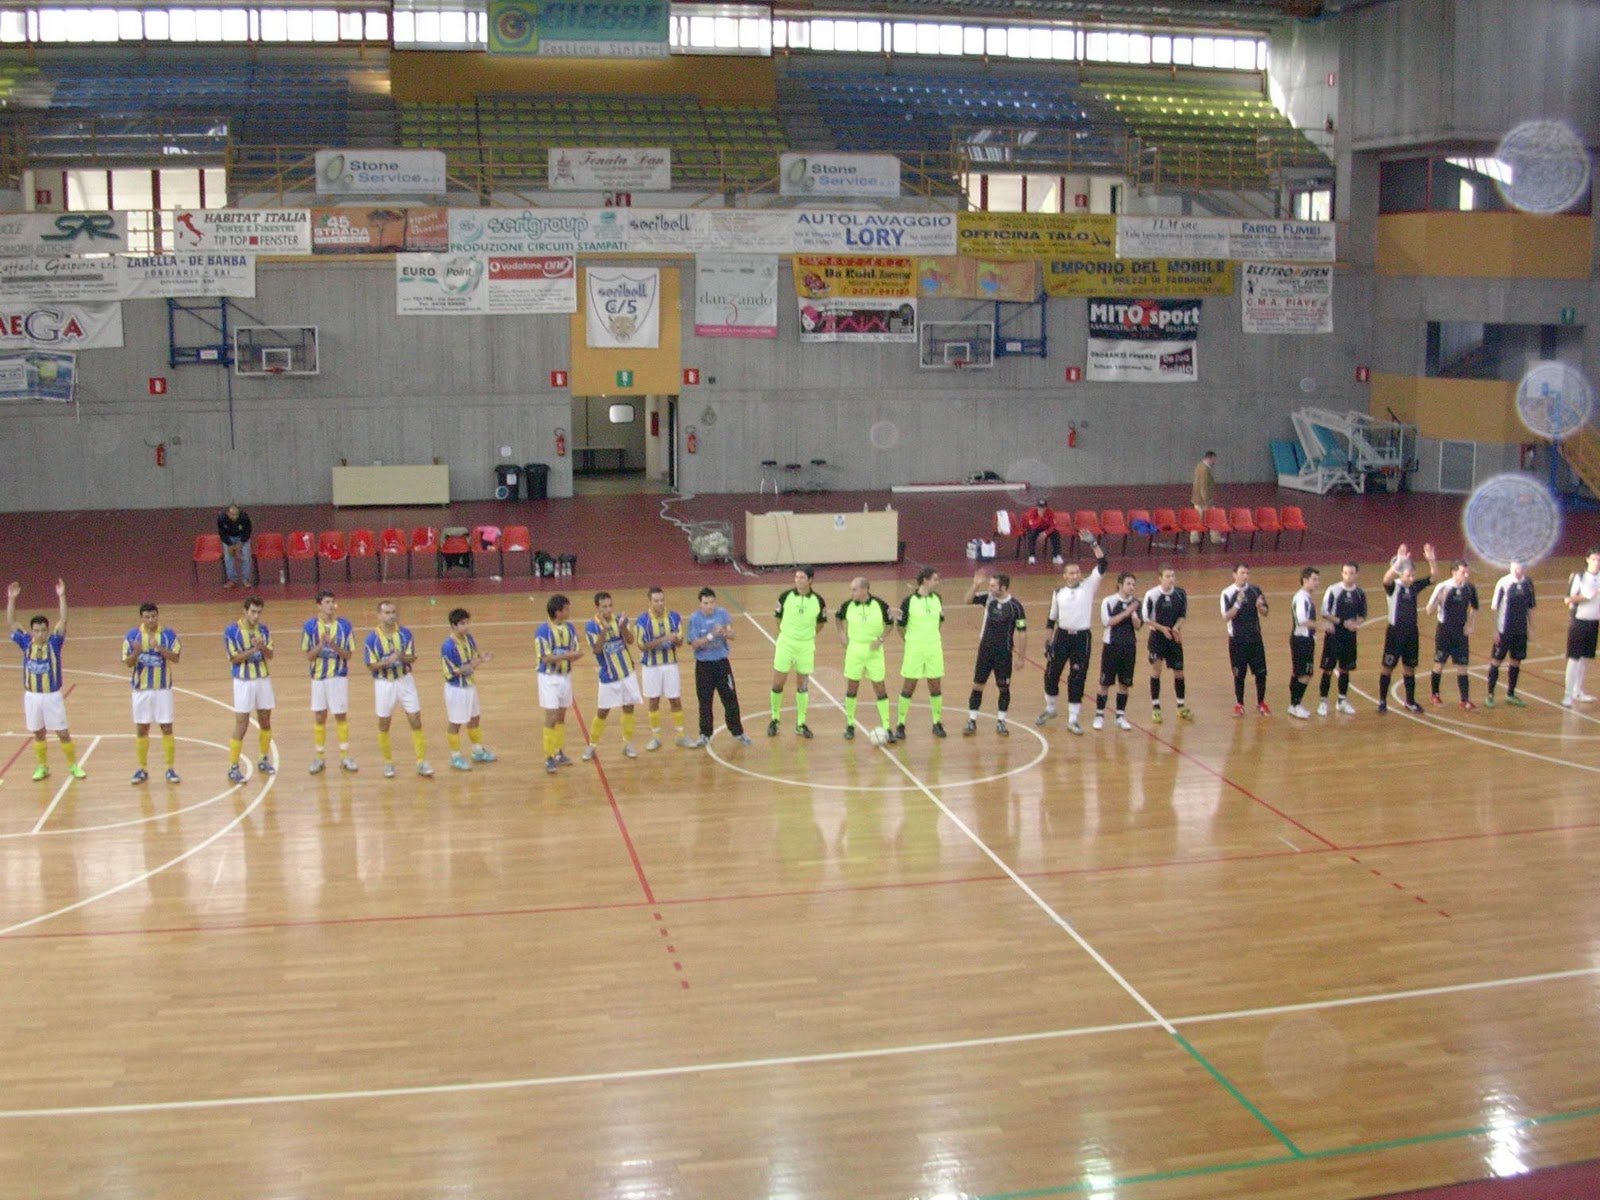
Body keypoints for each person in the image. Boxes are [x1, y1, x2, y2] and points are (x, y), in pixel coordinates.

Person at [7, 579, 85, 782]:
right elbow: (12, 622)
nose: (40, 633)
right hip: (32, 696)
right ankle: (42, 767)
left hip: (52, 695)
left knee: (62, 732)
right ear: (32, 631)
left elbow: (64, 620)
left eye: (43, 630)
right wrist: (11, 599)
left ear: (47, 631)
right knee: (38, 733)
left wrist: (61, 596)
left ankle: (73, 765)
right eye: (37, 630)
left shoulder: (55, 643)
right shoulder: (25, 642)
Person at [1036, 538, 1109, 734]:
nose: (1075, 575)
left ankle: (1073, 719)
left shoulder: (1089, 586)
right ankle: (1050, 709)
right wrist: (1047, 641)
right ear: (1065, 575)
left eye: (1077, 571)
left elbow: (1103, 564)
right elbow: (1051, 619)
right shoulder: (1058, 592)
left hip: (1081, 638)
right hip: (1061, 637)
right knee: (1051, 673)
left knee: (1077, 678)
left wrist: (1093, 543)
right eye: (1071, 572)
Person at [364, 599, 432, 778]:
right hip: (384, 684)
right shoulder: (372, 639)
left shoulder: (405, 634)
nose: (391, 616)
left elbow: (412, 658)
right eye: (387, 613)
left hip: (405, 681)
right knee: (384, 724)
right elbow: (371, 665)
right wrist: (386, 662)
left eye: (393, 612)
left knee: (415, 719)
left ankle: (421, 762)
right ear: (379, 615)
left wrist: (400, 656)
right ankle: (387, 763)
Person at [962, 568, 1027, 736]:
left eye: (993, 586)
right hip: (986, 649)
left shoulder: (1016, 607)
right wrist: (975, 585)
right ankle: (972, 719)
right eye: (989, 585)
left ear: (1003, 588)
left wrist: (1021, 657)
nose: (990, 588)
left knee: (1003, 687)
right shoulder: (988, 598)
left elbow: (1022, 632)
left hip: (1004, 652)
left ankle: (1001, 721)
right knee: (978, 685)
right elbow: (967, 600)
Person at [122, 601, 181, 784]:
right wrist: (137, 652)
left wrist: (159, 648)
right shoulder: (132, 636)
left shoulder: (168, 634)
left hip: (163, 689)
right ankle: (142, 769)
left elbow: (176, 657)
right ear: (142, 618)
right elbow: (128, 663)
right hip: (141, 691)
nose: (151, 620)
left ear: (158, 616)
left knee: (166, 728)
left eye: (153, 616)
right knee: (142, 729)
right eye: (147, 617)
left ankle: (170, 769)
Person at [302, 589, 357, 775]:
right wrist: (321, 645)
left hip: (338, 678)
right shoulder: (309, 627)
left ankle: (344, 756)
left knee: (340, 716)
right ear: (319, 605)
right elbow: (309, 656)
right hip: (318, 679)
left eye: (332, 602)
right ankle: (319, 757)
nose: (331, 605)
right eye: (327, 602)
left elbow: (349, 655)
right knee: (319, 717)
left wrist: (333, 645)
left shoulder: (345, 626)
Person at [687, 587, 750, 748]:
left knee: (730, 698)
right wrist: (710, 636)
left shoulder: (722, 614)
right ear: (700, 604)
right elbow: (695, 643)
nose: (709, 606)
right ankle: (705, 734)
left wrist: (724, 633)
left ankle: (738, 731)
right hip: (704, 666)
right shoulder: (695, 619)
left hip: (722, 664)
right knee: (705, 701)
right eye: (706, 603)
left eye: (712, 602)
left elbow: (733, 635)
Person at [1376, 543, 1436, 714]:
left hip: (1411, 632)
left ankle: (1410, 701)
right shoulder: (1393, 587)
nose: (1412, 579)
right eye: (1409, 575)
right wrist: (1399, 562)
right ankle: (1382, 700)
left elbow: (1433, 577)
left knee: (1410, 667)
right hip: (1395, 633)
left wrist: (1432, 561)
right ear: (1401, 573)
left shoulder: (1414, 587)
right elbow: (1386, 579)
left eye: (1413, 575)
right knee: (1388, 666)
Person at [769, 567, 828, 739]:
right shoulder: (785, 596)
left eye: (802, 577)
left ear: (810, 580)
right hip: (786, 643)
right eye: (796, 577)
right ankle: (775, 719)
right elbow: (777, 618)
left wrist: (806, 636)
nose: (798, 580)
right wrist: (788, 634)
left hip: (806, 646)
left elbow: (821, 623)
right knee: (778, 682)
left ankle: (800, 723)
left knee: (802, 685)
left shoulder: (819, 601)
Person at [583, 591, 642, 760]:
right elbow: (596, 649)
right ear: (597, 608)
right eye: (604, 607)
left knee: (628, 707)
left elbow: (630, 641)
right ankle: (592, 745)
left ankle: (627, 743)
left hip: (627, 672)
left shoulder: (620, 620)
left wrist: (623, 628)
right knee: (603, 711)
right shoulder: (591, 626)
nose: (608, 609)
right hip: (608, 675)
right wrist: (604, 631)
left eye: (610, 606)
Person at [223, 594, 275, 783]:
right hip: (243, 682)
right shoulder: (232, 631)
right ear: (245, 611)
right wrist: (254, 650)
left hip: (262, 679)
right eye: (253, 612)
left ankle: (263, 759)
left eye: (259, 613)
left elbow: (270, 655)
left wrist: (262, 648)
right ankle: (233, 767)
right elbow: (234, 658)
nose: (256, 616)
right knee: (242, 724)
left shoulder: (264, 630)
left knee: (265, 720)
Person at [837, 576, 895, 741]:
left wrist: (881, 639)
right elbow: (838, 619)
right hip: (854, 650)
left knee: (880, 688)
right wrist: (842, 634)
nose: (852, 592)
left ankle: (886, 727)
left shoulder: (881, 605)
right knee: (852, 687)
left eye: (854, 589)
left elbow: (890, 624)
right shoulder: (847, 605)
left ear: (865, 590)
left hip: (874, 653)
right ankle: (849, 725)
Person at [636, 587, 693, 750]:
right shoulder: (642, 621)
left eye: (662, 600)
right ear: (650, 602)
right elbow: (642, 646)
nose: (660, 603)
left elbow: (680, 643)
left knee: (675, 699)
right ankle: (656, 737)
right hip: (651, 667)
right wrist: (664, 638)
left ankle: (681, 736)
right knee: (653, 700)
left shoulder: (674, 617)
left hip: (670, 665)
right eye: (656, 601)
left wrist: (675, 640)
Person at [440, 607, 496, 770]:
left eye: (467, 623)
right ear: (454, 626)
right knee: (456, 722)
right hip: (456, 689)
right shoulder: (448, 646)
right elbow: (456, 671)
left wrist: (481, 659)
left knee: (474, 719)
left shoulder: (469, 639)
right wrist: (477, 662)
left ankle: (477, 751)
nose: (466, 626)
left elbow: (473, 660)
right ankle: (455, 756)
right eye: (462, 624)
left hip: (470, 685)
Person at [895, 567, 947, 740]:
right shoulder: (908, 601)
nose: (937, 582)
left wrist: (932, 637)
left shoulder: (938, 599)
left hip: (934, 648)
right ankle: (901, 724)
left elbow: (939, 622)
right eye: (935, 579)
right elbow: (900, 627)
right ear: (925, 580)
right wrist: (911, 641)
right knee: (909, 685)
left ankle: (937, 722)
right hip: (915, 648)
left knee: (935, 685)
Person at [535, 594, 585, 773]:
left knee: (562, 716)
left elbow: (578, 651)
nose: (569, 611)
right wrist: (567, 655)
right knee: (551, 716)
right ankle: (548, 756)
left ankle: (558, 751)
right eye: (566, 608)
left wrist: (571, 655)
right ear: (558, 612)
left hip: (565, 676)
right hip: (549, 679)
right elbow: (546, 658)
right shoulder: (543, 631)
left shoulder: (570, 628)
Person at [1426, 559, 1479, 710]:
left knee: (1463, 666)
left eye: (1467, 572)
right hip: (1444, 631)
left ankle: (1465, 700)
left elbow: (1475, 608)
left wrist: (1471, 625)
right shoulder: (1443, 587)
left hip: (1461, 632)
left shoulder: (1469, 588)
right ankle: (1435, 694)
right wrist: (1438, 600)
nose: (1467, 575)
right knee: (1439, 664)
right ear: (1454, 572)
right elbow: (1429, 611)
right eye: (1463, 572)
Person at [1092, 571, 1142, 731]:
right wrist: (1127, 612)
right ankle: (1099, 715)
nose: (1131, 587)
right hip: (1112, 646)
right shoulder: (1109, 601)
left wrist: (1134, 616)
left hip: (1129, 646)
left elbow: (1139, 626)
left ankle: (1120, 716)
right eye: (1128, 584)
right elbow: (1107, 622)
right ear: (1120, 584)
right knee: (1105, 682)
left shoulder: (1136, 603)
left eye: (1133, 584)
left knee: (1125, 683)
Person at [1317, 561, 1367, 716]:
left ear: (1356, 574)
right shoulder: (1333, 590)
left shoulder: (1360, 593)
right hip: (1333, 636)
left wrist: (1355, 624)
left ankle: (1342, 700)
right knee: (1328, 669)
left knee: (1345, 669)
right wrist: (1342, 623)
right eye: (1345, 573)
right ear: (1342, 573)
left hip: (1350, 637)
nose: (1348, 576)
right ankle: (1323, 702)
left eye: (1351, 573)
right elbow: (1324, 612)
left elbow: (1362, 614)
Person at [1142, 565, 1191, 723]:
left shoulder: (1180, 593)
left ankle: (1181, 706)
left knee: (1179, 671)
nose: (1171, 579)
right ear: (1160, 578)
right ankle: (1156, 708)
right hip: (1157, 636)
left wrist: (1176, 628)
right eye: (1168, 576)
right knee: (1156, 670)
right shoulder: (1152, 595)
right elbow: (1146, 618)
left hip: (1173, 637)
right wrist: (1162, 629)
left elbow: (1182, 615)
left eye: (1173, 576)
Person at [1220, 563, 1270, 716]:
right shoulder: (1227, 593)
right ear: (1234, 574)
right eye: (1242, 573)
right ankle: (1239, 704)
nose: (1245, 576)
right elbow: (1226, 616)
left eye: (1247, 573)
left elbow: (1265, 612)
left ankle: (1261, 703)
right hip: (1237, 640)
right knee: (1239, 674)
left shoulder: (1255, 590)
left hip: (1255, 638)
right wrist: (1238, 603)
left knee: (1261, 673)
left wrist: (1260, 607)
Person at [1487, 561, 1535, 707]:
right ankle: (1490, 694)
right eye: (1515, 567)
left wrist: (1531, 627)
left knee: (1516, 661)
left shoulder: (1528, 583)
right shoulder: (1503, 583)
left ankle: (1511, 694)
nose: (1517, 570)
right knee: (1496, 661)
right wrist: (1495, 630)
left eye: (1520, 567)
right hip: (1504, 630)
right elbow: (1495, 608)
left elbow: (1530, 607)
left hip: (1520, 630)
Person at [1562, 547, 1600, 707]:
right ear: (1587, 559)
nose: (1597, 563)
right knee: (1574, 659)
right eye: (1594, 559)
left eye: (1599, 560)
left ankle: (1578, 691)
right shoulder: (1579, 576)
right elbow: (1568, 599)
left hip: (1593, 622)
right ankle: (1568, 695)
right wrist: (1586, 597)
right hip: (1579, 622)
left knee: (1585, 659)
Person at [1287, 567, 1325, 720]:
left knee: (1298, 671)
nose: (1317, 583)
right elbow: (1302, 620)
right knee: (1305, 673)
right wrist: (1322, 626)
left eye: (1318, 579)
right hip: (1301, 640)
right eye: (1314, 579)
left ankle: (1294, 704)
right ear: (1305, 580)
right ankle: (1295, 705)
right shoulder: (1301, 598)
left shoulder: (1306, 597)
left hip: (1304, 639)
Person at [217, 502, 254, 589]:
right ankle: (232, 580)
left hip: (242, 537)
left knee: (246, 556)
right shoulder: (221, 518)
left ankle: (246, 579)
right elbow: (222, 533)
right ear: (228, 513)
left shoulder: (244, 517)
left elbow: (247, 531)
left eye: (236, 515)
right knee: (228, 557)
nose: (235, 517)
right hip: (229, 538)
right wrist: (230, 545)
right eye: (232, 515)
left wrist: (240, 545)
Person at [1020, 497, 1063, 565]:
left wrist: (1046, 533)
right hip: (1035, 528)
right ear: (1037, 507)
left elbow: (1053, 525)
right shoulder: (1032, 512)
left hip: (1046, 528)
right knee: (1031, 534)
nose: (1042, 509)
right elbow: (1033, 525)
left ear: (1046, 507)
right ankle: (1032, 556)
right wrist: (1040, 517)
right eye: (1040, 507)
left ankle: (1056, 555)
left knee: (1056, 534)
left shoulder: (1050, 512)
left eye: (1043, 507)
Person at [1190, 451, 1221, 544]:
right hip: (1204, 500)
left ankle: (1194, 538)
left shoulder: (1199, 466)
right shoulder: (1205, 470)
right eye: (1214, 459)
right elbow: (1203, 486)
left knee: (1197, 519)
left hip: (1197, 498)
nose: (1214, 462)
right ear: (1209, 458)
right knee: (1213, 518)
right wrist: (1207, 500)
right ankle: (1215, 538)